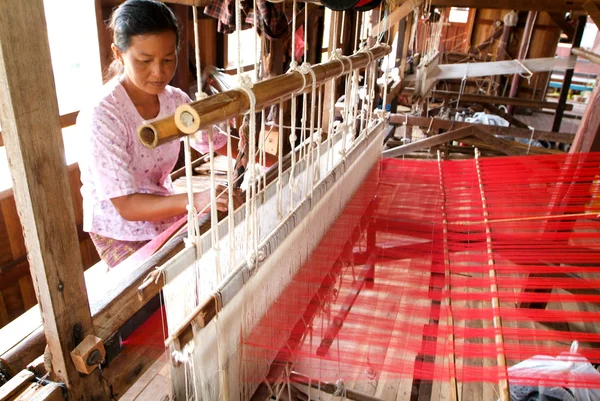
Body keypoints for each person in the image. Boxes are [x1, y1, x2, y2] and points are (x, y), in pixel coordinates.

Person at [77, 0, 240, 268]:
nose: (159, 72)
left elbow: (212, 141)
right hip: (118, 227)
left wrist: (263, 159)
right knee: (161, 291)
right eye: (144, 61)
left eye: (168, 59)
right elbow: (127, 205)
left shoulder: (175, 100)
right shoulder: (102, 115)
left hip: (163, 207)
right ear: (118, 54)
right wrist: (196, 199)